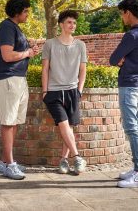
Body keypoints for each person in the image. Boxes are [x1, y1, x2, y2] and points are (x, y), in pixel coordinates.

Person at [0, 0, 39, 180]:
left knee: (14, 121)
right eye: (26, 11)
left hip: (18, 79)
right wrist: (27, 52)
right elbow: (7, 55)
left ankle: (4, 163)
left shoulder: (15, 28)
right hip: (8, 78)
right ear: (17, 11)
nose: (28, 14)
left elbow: (17, 53)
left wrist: (30, 50)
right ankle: (10, 164)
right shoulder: (6, 27)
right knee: (8, 121)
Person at [110, 0, 138, 188]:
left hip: (129, 85)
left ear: (127, 12)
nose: (122, 18)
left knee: (132, 128)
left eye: (122, 13)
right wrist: (124, 59)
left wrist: (122, 59)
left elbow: (113, 59)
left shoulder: (132, 35)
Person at [42, 10, 87, 175]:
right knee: (63, 123)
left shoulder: (81, 45)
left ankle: (63, 161)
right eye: (69, 22)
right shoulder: (49, 44)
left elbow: (83, 70)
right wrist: (45, 91)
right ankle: (77, 157)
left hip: (72, 91)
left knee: (67, 127)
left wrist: (79, 91)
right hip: (54, 92)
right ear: (61, 24)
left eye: (74, 23)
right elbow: (45, 69)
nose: (72, 25)